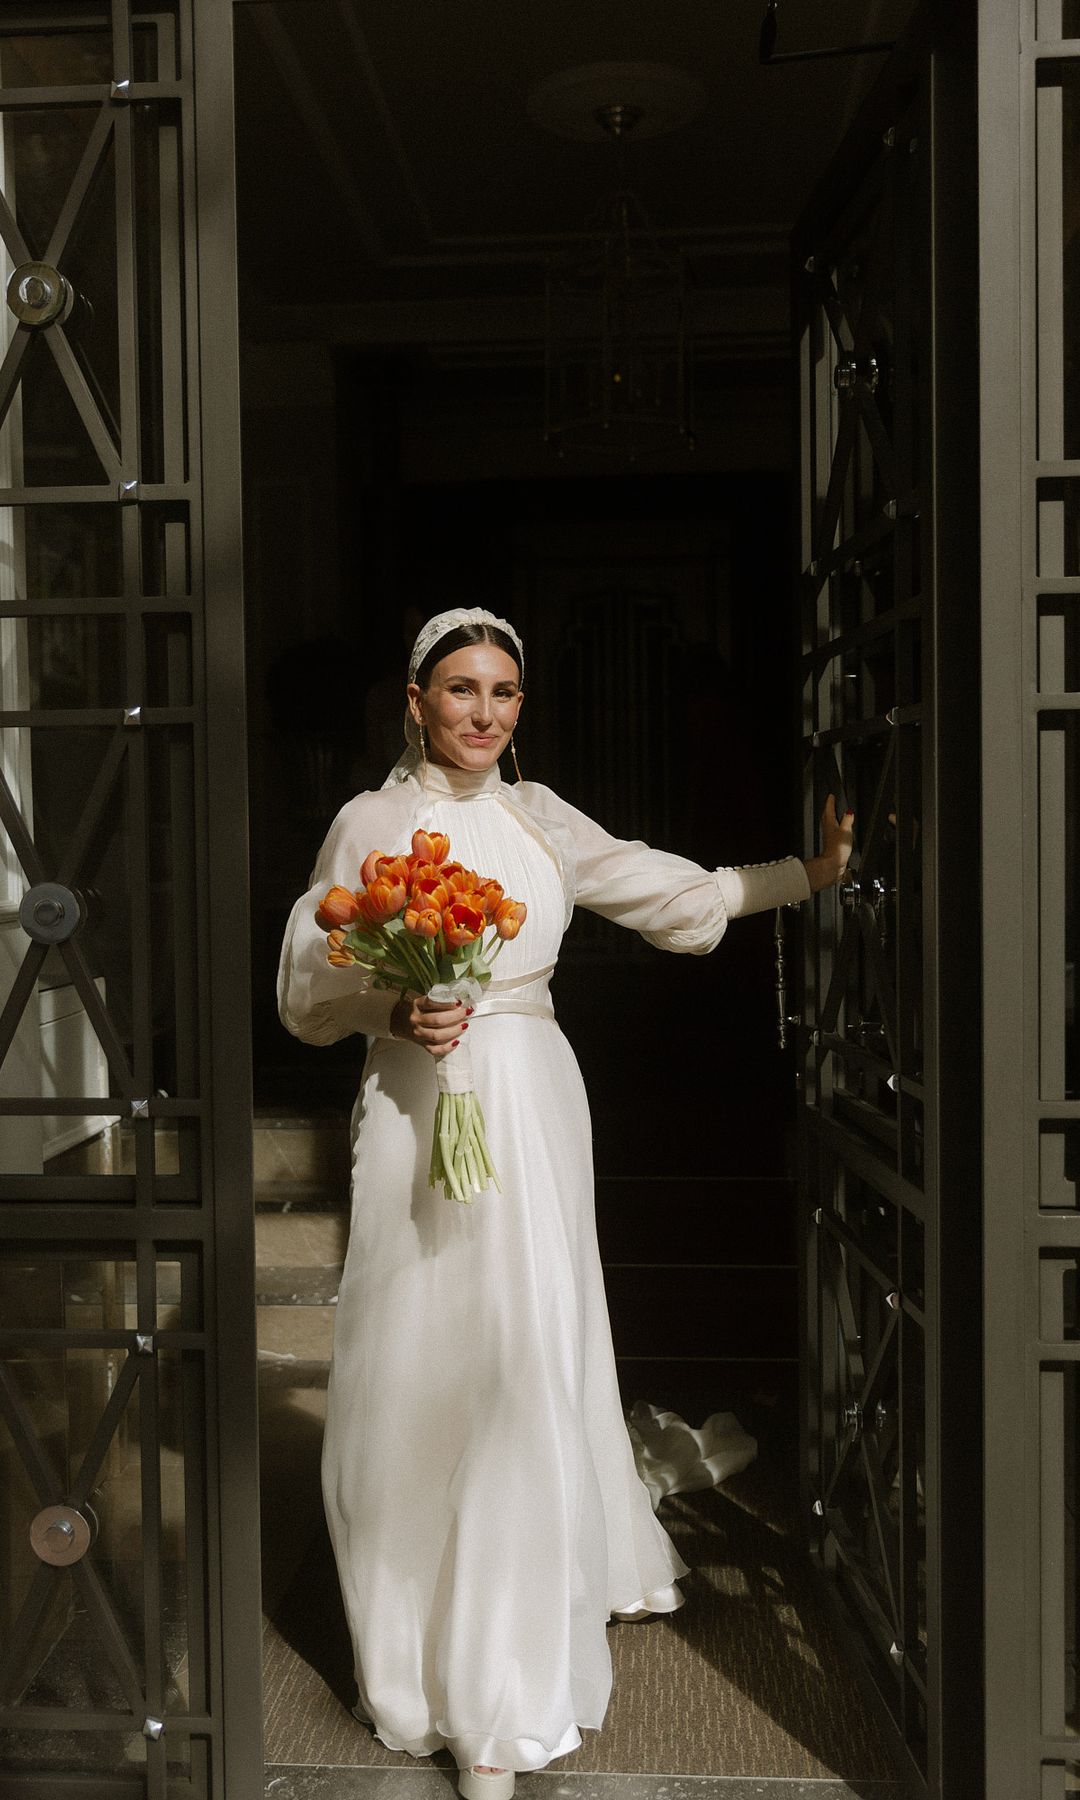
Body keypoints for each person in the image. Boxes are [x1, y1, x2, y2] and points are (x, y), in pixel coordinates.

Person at [277, 606, 854, 1800]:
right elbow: (308, 979)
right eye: (460, 690)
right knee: (412, 1345)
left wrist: (811, 876)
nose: (482, 713)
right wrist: (396, 1010)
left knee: (522, 1355)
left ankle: (504, 1685)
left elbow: (666, 891)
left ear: (518, 709)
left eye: (503, 693)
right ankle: (415, 1655)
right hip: (411, 1105)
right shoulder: (371, 824)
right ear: (415, 701)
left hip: (532, 1100)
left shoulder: (540, 821)